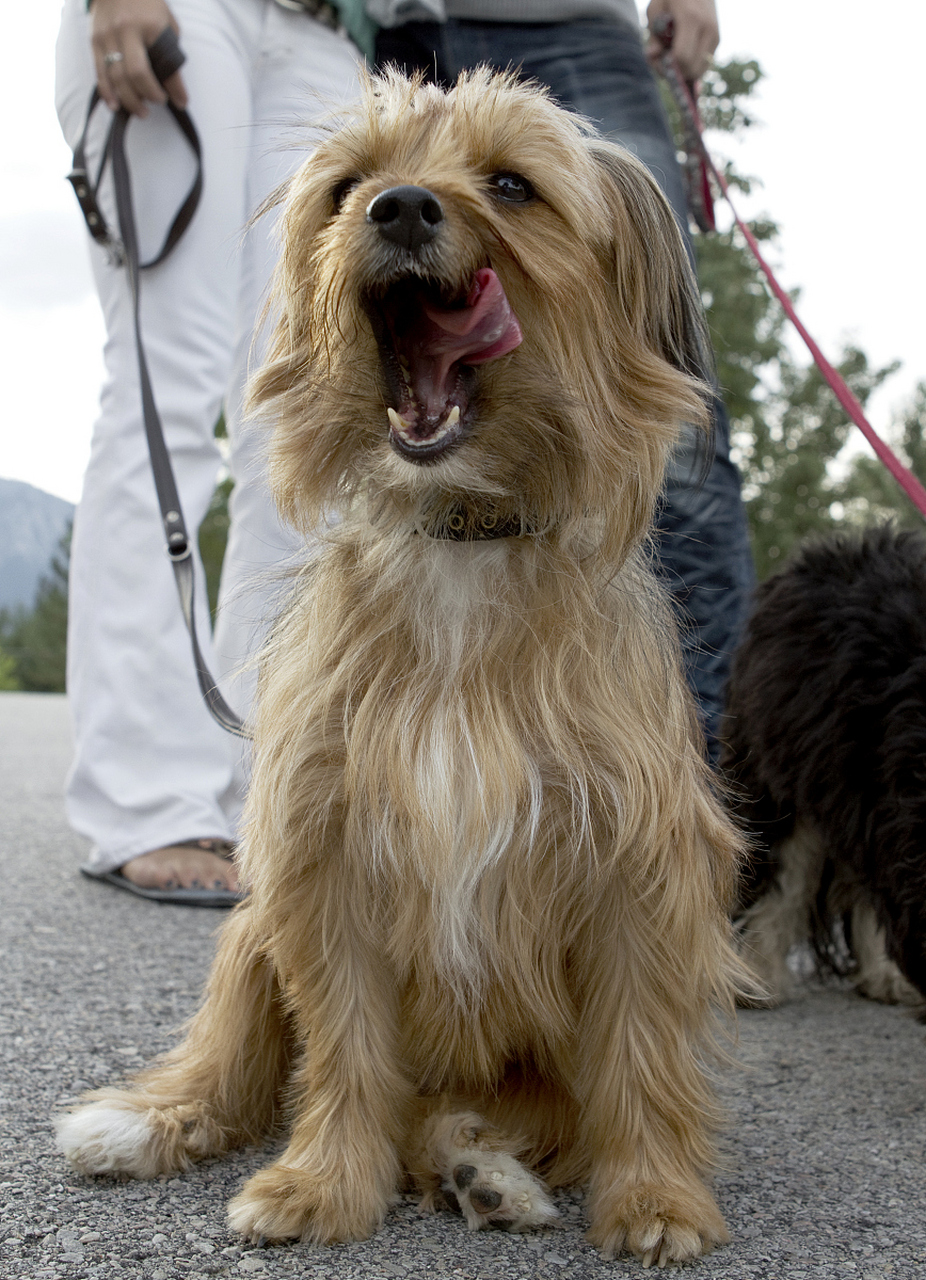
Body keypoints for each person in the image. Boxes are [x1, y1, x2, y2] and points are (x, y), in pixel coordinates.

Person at [372, 0, 756, 763]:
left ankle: (711, 778)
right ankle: (379, 761)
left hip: (571, 16)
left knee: (672, 417)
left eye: (510, 187)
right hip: (382, 21)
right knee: (364, 391)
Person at [55, 0, 363, 903]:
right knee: (167, 384)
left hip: (330, 32)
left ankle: (265, 795)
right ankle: (142, 801)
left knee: (307, 415)